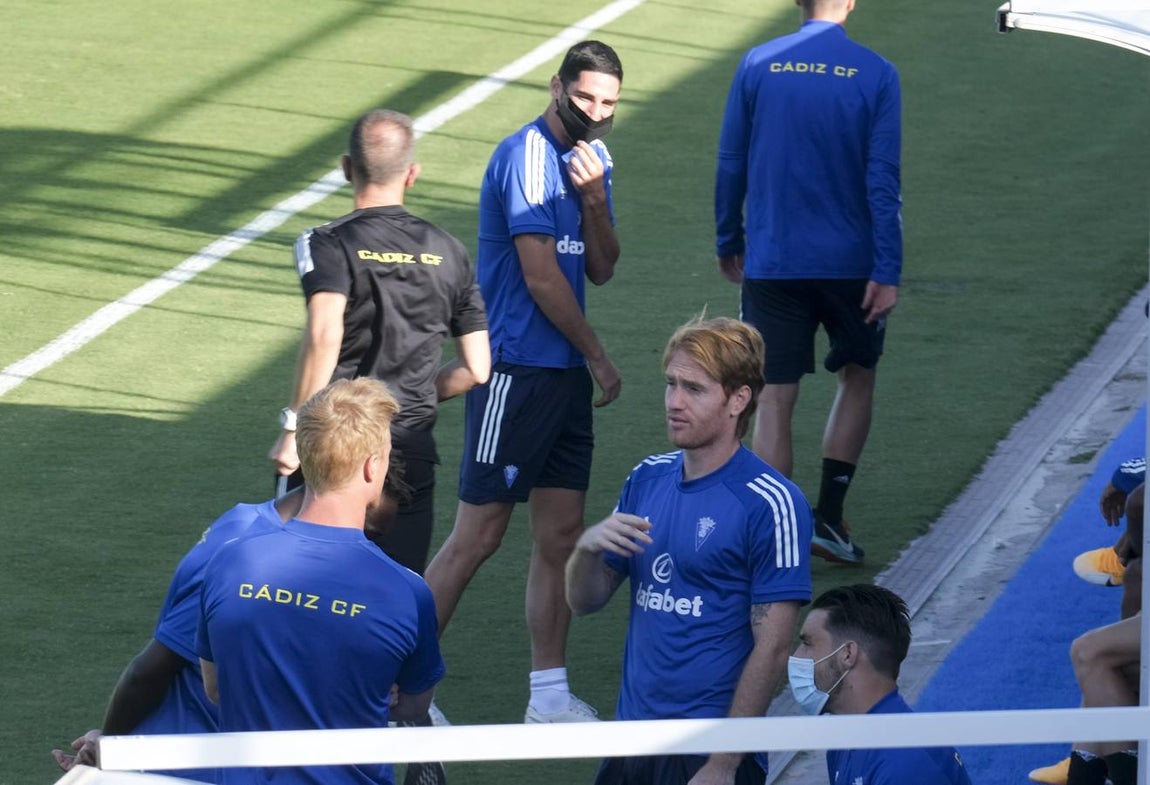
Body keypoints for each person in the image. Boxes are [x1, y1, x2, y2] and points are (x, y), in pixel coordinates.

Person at [422, 40, 624, 723]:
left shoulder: (590, 162)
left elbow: (600, 267)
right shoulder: (526, 158)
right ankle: (397, 693)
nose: (595, 112)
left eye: (608, 103)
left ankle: (549, 695)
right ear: (556, 86)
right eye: (586, 96)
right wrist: (597, 353)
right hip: (515, 369)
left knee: (561, 534)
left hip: (560, 376)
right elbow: (541, 277)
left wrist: (595, 200)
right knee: (476, 536)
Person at [566, 316, 812, 785]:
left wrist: (723, 763)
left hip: (706, 752)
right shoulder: (645, 479)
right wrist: (585, 549)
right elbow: (585, 601)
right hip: (631, 741)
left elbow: (775, 644)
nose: (674, 402)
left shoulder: (771, 502)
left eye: (694, 389)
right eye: (671, 384)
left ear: (738, 399)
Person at [713, 0, 903, 564]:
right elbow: (883, 178)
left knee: (773, 400)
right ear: (851, 3)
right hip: (853, 263)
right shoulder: (876, 72)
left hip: (773, 260)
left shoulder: (757, 64)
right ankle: (828, 518)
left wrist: (729, 239)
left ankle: (776, 543)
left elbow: (731, 160)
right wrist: (887, 269)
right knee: (858, 377)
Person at [268, 108, 489, 576]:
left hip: (335, 446)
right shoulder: (451, 251)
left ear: (348, 168)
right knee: (394, 594)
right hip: (409, 446)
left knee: (307, 592)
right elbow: (477, 369)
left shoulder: (326, 242)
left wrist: (293, 428)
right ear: (412, 174)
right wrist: (414, 394)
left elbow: (325, 331)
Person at [200, 378, 445, 785]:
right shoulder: (406, 591)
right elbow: (414, 707)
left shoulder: (230, 560)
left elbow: (217, 688)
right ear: (373, 466)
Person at [789, 584, 972, 785]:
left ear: (847, 654)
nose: (797, 656)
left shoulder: (906, 766)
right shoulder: (845, 739)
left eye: (807, 644)